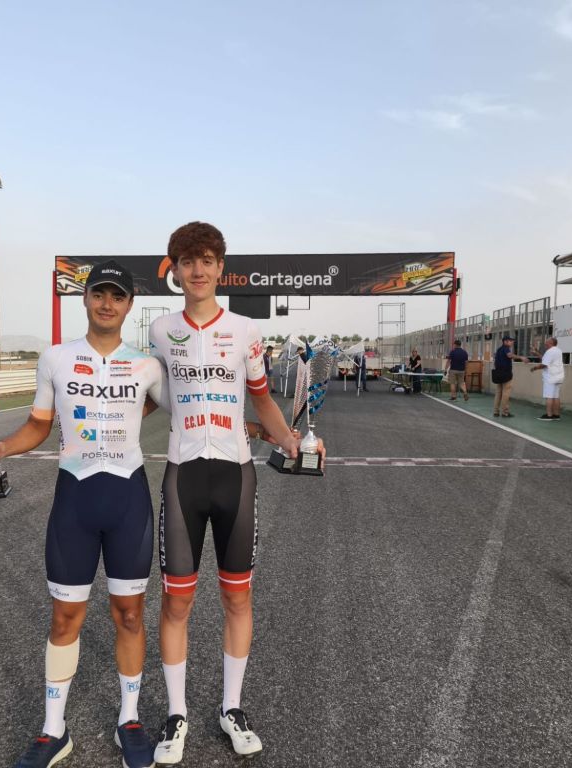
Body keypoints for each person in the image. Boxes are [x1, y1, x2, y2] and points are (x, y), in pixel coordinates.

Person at [0, 261, 165, 768]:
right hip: (74, 500)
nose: (107, 303)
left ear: (129, 305)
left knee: (130, 614)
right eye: (99, 293)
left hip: (127, 499)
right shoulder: (56, 358)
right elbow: (39, 425)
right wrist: (0, 448)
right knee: (64, 617)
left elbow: (176, 408)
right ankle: (53, 730)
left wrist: (256, 430)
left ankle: (129, 720)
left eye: (117, 296)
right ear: (86, 299)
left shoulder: (147, 366)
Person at [149, 222, 325, 764]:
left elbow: (262, 399)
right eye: (187, 262)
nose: (197, 271)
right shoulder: (160, 330)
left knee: (237, 597)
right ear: (176, 270)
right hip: (182, 475)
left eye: (206, 261)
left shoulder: (246, 331)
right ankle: (176, 714)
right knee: (176, 600)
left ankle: (232, 708)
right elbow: (147, 396)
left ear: (220, 268)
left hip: (236, 477)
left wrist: (293, 440)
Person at [492, 334, 526, 417]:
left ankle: (496, 411)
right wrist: (521, 357)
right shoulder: (506, 348)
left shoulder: (499, 350)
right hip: (506, 374)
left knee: (498, 393)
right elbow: (509, 355)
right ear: (505, 341)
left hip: (498, 373)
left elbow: (495, 362)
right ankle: (505, 412)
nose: (512, 342)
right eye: (510, 341)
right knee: (506, 393)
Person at [530, 337, 564, 420]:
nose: (545, 343)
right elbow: (546, 359)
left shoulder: (550, 351)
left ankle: (549, 415)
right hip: (559, 376)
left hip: (550, 377)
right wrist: (537, 353)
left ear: (551, 343)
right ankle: (556, 415)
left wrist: (535, 368)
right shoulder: (558, 350)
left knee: (549, 396)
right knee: (556, 396)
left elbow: (544, 364)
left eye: (547, 342)